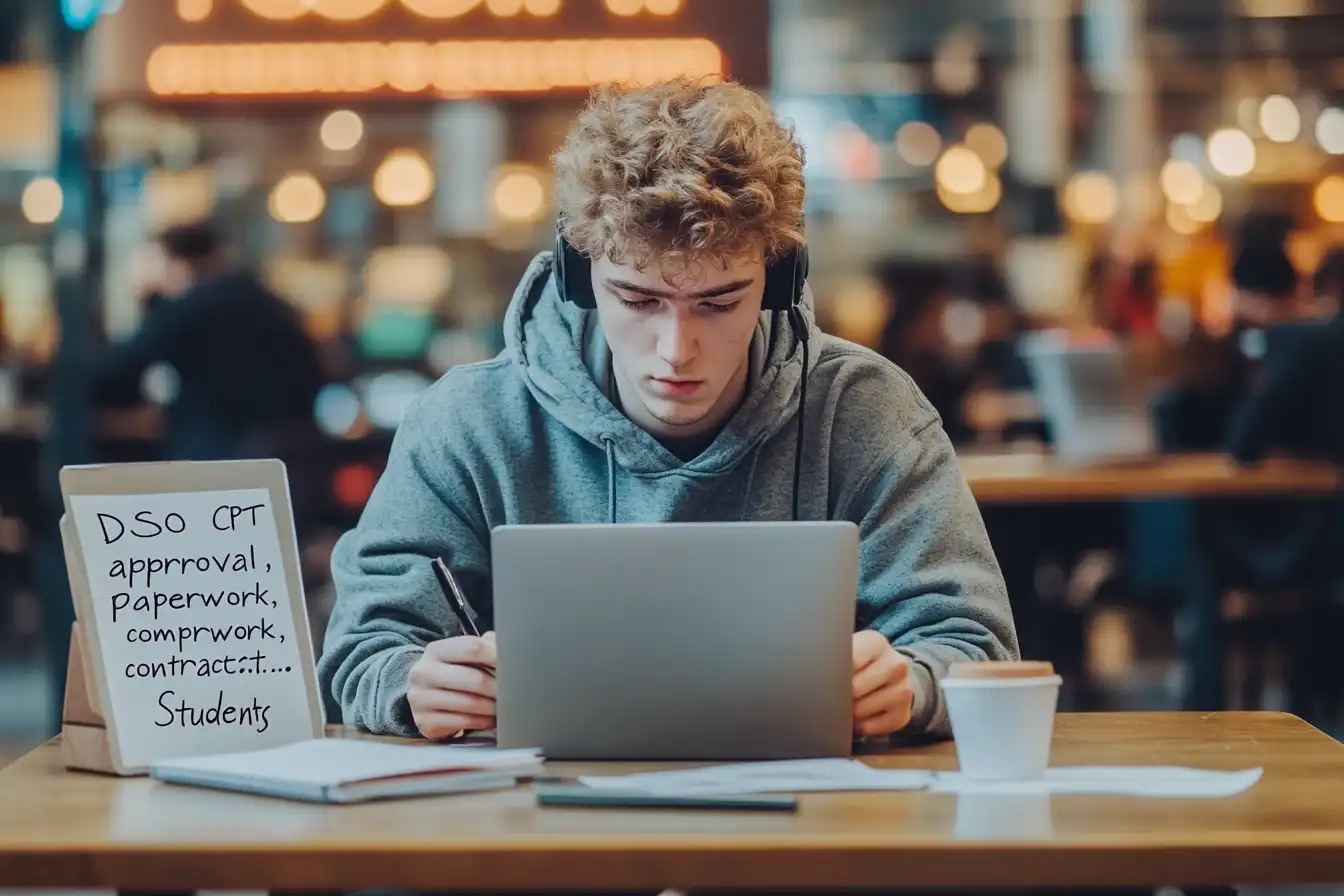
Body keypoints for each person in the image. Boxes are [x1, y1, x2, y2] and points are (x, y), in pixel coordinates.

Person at [318, 78, 1019, 743]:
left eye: (718, 303)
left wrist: (915, 684)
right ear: (578, 275)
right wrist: (409, 683)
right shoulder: (469, 423)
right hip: (538, 843)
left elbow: (976, 646)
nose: (676, 349)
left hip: (805, 841)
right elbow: (362, 649)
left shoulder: (868, 413)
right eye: (638, 300)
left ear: (777, 280)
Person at [95, 221, 326, 461]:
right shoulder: (267, 300)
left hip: (215, 454)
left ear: (177, 264)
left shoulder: (192, 308)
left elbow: (118, 369)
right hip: (287, 452)